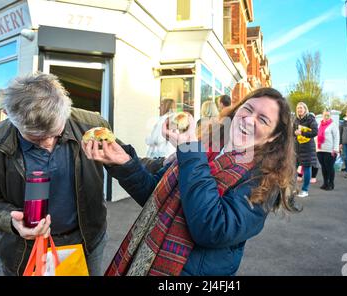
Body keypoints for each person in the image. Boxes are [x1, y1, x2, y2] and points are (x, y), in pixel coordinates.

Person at [82, 87, 301, 276]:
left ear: (273, 136)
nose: (249, 119)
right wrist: (124, 163)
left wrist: (190, 152)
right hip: (145, 260)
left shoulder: (264, 181)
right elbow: (154, 194)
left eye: (263, 120)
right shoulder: (204, 147)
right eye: (248, 109)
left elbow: (212, 228)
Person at [0, 72, 109, 276]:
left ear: (66, 111)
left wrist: (166, 164)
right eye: (35, 139)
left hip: (87, 242)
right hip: (23, 250)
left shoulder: (92, 126)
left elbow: (124, 160)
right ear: (9, 117)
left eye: (55, 134)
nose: (47, 144)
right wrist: (10, 221)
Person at [294, 102, 318, 198]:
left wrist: (302, 133)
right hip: (297, 147)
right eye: (298, 108)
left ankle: (305, 190)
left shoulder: (310, 119)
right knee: (294, 168)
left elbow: (315, 132)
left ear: (305, 109)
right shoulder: (295, 120)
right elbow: (292, 131)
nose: (299, 109)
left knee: (307, 168)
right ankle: (294, 188)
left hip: (308, 147)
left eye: (301, 108)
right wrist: (294, 132)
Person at [316, 109, 340, 190]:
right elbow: (316, 136)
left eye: (328, 115)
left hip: (330, 150)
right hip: (320, 150)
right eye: (324, 115)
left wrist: (336, 149)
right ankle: (325, 183)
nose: (326, 117)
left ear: (330, 116)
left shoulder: (333, 125)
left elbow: (337, 137)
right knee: (323, 167)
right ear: (322, 115)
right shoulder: (319, 124)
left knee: (329, 167)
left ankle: (331, 184)